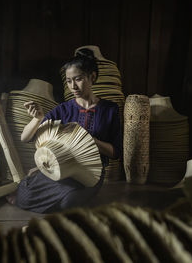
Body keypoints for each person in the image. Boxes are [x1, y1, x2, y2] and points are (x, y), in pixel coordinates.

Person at [13, 48, 122, 213]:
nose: (73, 86)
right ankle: (51, 193)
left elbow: (116, 152)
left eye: (78, 79)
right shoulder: (63, 110)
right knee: (24, 196)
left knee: (68, 202)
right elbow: (25, 138)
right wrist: (37, 118)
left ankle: (59, 197)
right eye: (69, 81)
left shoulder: (110, 109)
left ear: (92, 77)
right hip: (61, 168)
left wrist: (93, 142)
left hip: (89, 174)